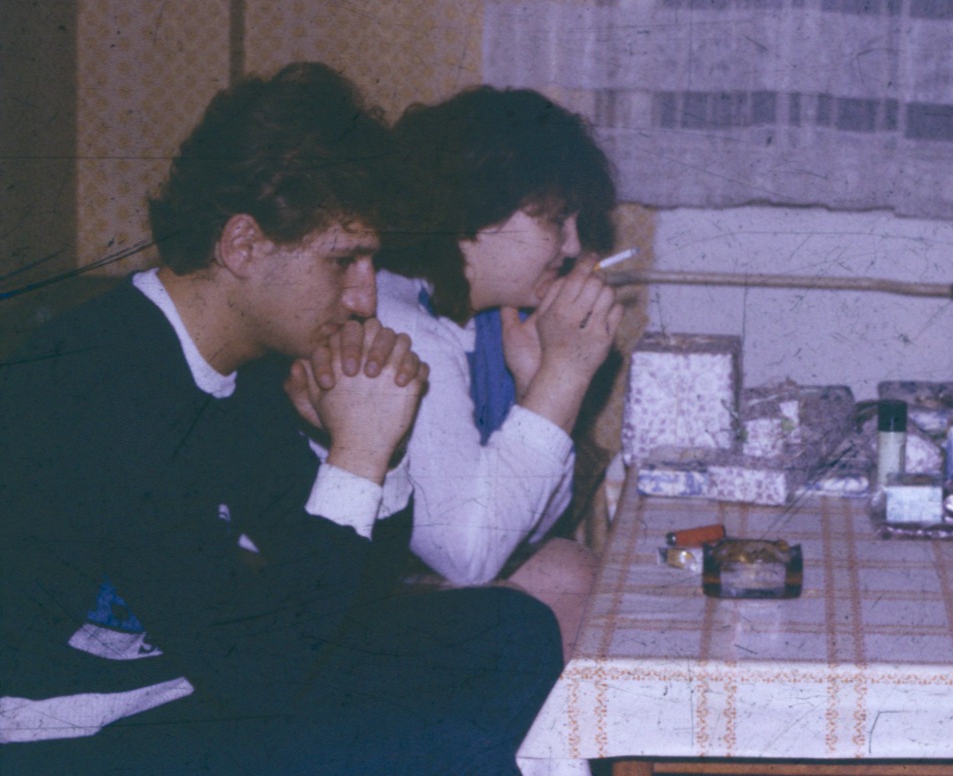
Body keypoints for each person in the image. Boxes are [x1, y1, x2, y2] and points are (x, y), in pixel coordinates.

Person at [0, 63, 563, 775]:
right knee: (448, 743)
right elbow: (258, 672)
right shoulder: (98, 378)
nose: (363, 298)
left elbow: (341, 600)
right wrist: (355, 456)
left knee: (510, 630)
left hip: (191, 687)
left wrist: (377, 456)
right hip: (68, 735)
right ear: (242, 245)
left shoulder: (242, 365)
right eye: (343, 261)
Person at [366, 85, 622, 656]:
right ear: (470, 217)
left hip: (403, 578)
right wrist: (563, 378)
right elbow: (469, 556)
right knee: (557, 590)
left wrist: (535, 385)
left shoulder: (483, 318)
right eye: (557, 220)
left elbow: (525, 532)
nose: (573, 245)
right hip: (322, 601)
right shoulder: (401, 322)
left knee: (569, 567)